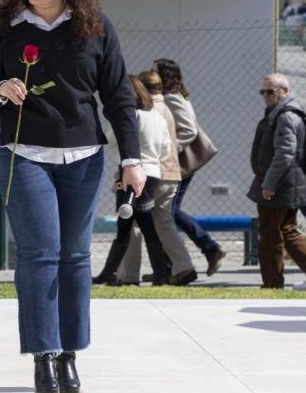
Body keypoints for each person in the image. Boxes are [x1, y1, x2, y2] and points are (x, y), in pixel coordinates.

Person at [0, 0, 144, 393]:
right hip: (23, 154)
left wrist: (132, 158)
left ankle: (69, 353)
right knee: (39, 254)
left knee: (75, 256)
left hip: (83, 158)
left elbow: (119, 98)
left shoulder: (95, 27)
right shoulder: (4, 28)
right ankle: (43, 355)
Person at [118, 70, 197, 286]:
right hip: (170, 172)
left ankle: (129, 274)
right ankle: (183, 266)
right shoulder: (166, 109)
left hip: (150, 172)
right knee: (163, 222)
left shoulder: (146, 110)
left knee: (134, 223)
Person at [93, 75, 171, 287]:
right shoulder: (158, 117)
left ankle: (155, 273)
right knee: (135, 223)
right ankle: (155, 273)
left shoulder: (132, 116)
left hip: (131, 172)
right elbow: (166, 149)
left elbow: (111, 139)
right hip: (153, 172)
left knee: (132, 222)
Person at [153, 58, 226, 276]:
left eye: (154, 70)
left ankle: (208, 248)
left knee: (167, 212)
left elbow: (189, 130)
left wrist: (168, 151)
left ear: (165, 75)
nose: (151, 74)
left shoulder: (171, 98)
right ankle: (169, 266)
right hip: (175, 163)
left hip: (177, 163)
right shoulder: (175, 96)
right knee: (166, 212)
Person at [248, 74, 306, 289]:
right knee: (288, 230)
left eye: (270, 91)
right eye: (263, 92)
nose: (265, 96)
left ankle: (272, 282)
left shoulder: (285, 116)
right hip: (290, 182)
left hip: (280, 184)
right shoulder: (286, 113)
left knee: (269, 234)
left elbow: (285, 154)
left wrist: (269, 184)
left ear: (284, 91)